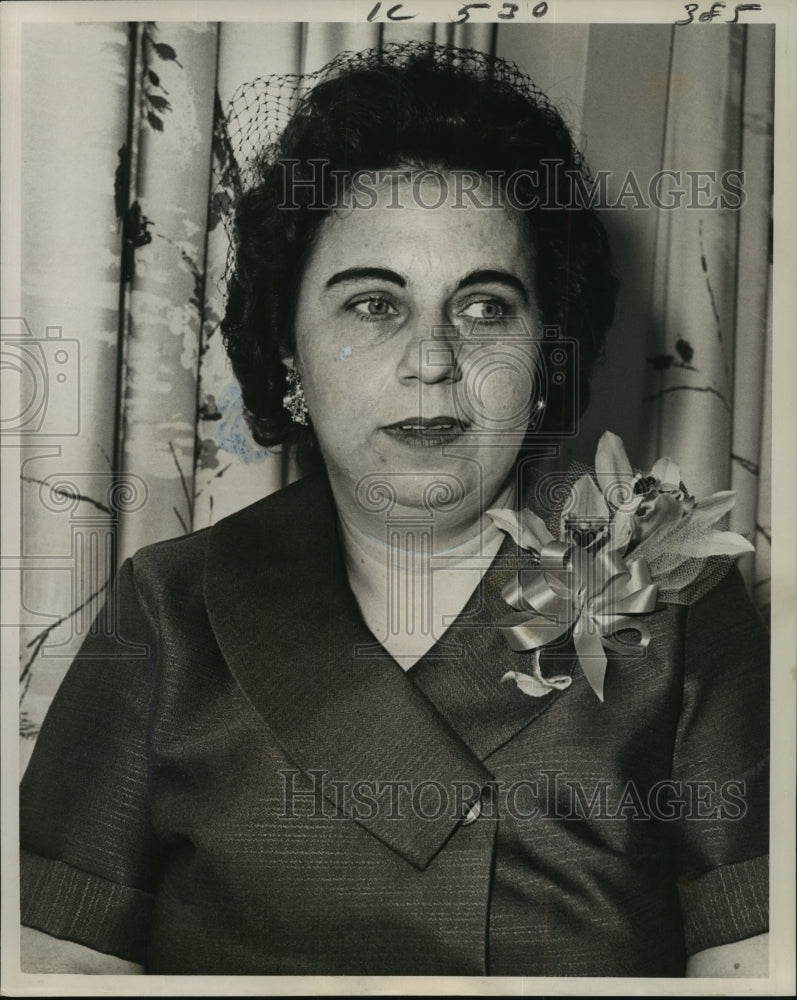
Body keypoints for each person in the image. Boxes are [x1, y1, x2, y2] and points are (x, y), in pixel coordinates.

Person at [19, 42, 769, 977]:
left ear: (546, 358)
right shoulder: (170, 608)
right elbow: (60, 963)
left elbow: (756, 956)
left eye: (486, 308)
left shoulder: (682, 597)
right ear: (289, 357)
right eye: (373, 304)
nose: (433, 359)